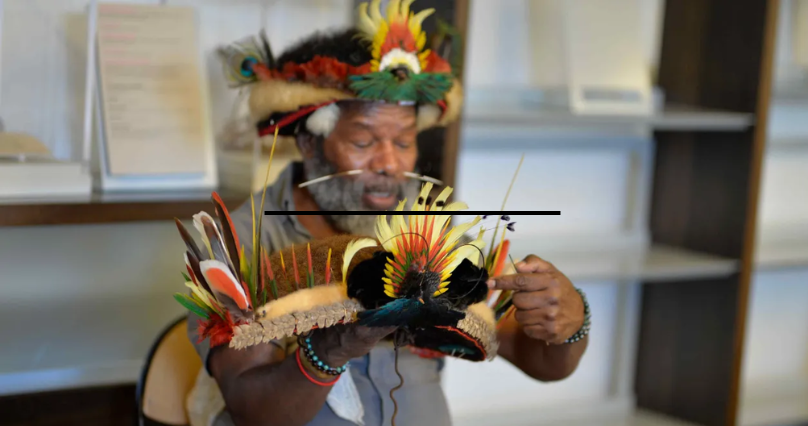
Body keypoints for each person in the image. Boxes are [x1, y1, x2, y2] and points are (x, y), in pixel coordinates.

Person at [185, 2, 589, 425]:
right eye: (363, 142)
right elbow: (252, 410)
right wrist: (331, 349)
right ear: (309, 144)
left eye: (403, 142)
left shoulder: (430, 227)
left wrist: (567, 322)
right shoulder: (239, 244)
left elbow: (536, 359)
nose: (390, 165)